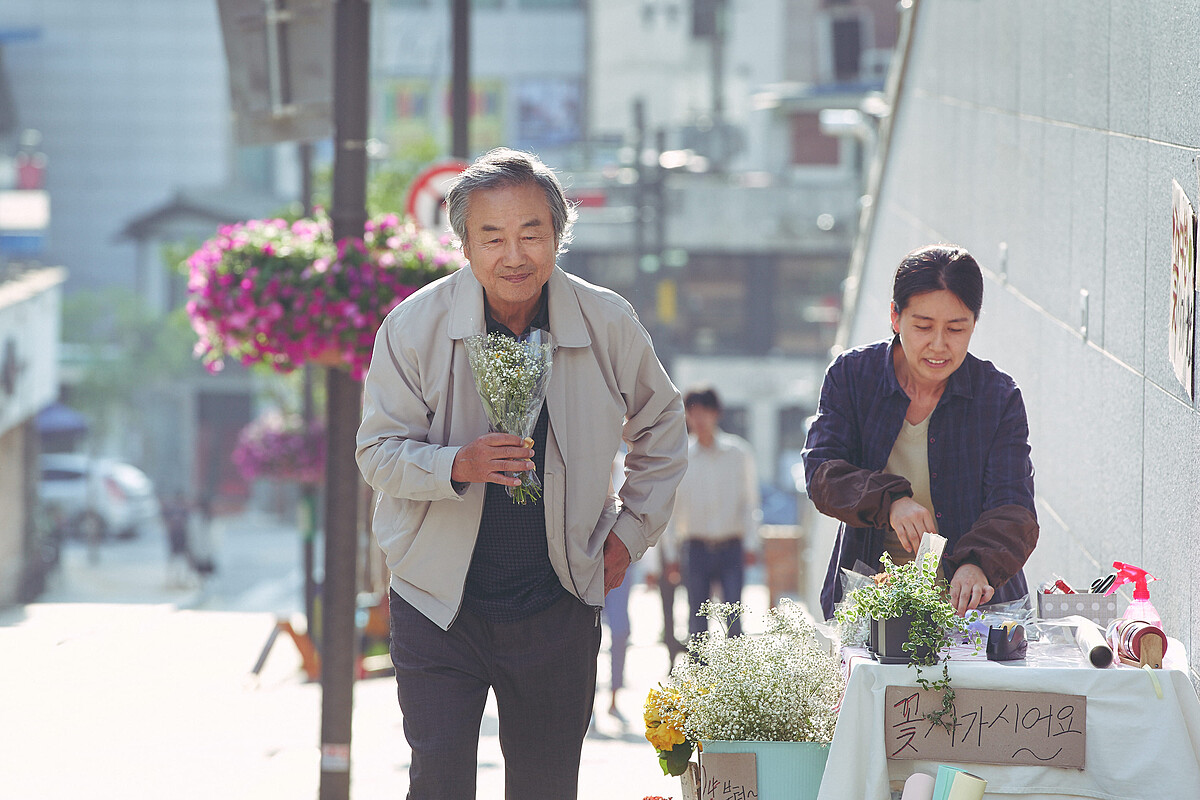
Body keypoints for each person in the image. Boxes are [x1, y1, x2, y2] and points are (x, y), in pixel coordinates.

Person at [356, 147, 688, 800]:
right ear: (464, 244)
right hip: (436, 603)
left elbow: (663, 428)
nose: (515, 255)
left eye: (532, 233)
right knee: (439, 784)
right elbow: (377, 452)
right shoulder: (412, 326)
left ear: (558, 237)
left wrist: (628, 534)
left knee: (544, 788)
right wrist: (456, 464)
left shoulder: (607, 321)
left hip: (557, 602)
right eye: (494, 237)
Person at [802, 244, 1039, 621]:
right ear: (895, 317)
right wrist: (890, 500)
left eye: (956, 328)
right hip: (872, 600)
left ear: (974, 323)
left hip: (975, 605)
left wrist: (977, 563)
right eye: (923, 326)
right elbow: (822, 474)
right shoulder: (852, 376)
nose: (939, 345)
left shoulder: (997, 397)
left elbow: (1014, 509)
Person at [669, 387, 761, 639]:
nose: (698, 419)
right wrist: (671, 552)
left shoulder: (738, 453)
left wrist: (751, 543)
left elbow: (750, 501)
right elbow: (672, 508)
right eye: (692, 412)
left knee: (733, 620)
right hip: (694, 548)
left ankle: (735, 677)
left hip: (731, 545)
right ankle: (698, 676)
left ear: (716, 413)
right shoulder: (680, 457)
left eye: (704, 412)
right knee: (697, 622)